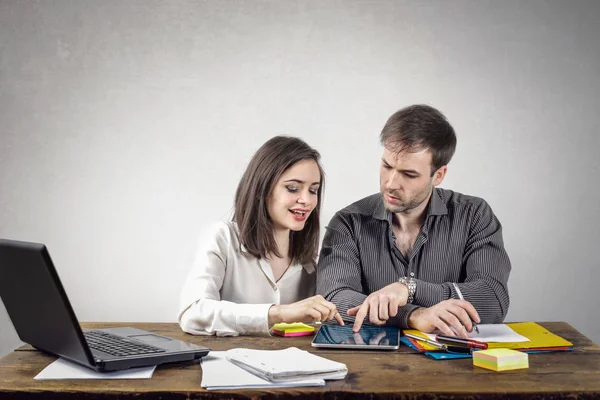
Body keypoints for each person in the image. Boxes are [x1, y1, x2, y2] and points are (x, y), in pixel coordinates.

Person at [317, 104, 511, 338]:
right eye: (387, 166)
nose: (390, 183)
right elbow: (334, 298)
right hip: (372, 366)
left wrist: (409, 289)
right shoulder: (349, 222)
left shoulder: (474, 215)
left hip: (456, 367)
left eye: (409, 174)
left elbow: (492, 298)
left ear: (438, 175)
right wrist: (413, 315)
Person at [179, 136, 343, 336]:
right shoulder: (223, 237)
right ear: (262, 188)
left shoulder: (309, 266)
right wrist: (278, 313)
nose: (306, 200)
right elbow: (192, 313)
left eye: (313, 190)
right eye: (292, 188)